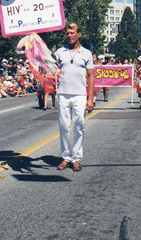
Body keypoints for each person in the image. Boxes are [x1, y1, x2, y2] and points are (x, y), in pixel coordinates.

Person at [54, 23, 94, 171]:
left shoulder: (86, 53)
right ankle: (65, 157)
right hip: (63, 94)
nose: (69, 36)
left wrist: (90, 98)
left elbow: (91, 77)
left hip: (80, 95)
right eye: (67, 33)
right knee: (64, 126)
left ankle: (76, 158)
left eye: (72, 33)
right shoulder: (60, 52)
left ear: (79, 34)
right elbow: (50, 68)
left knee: (78, 127)